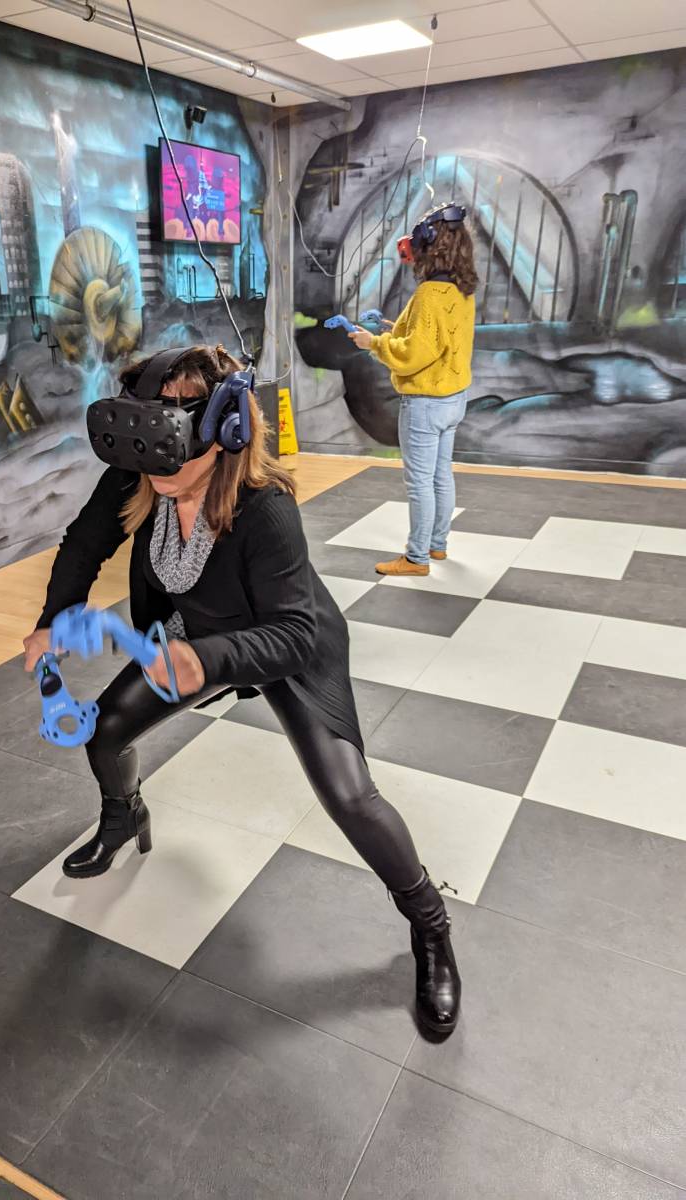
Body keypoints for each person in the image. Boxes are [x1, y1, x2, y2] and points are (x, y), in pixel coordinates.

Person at [23, 345, 461, 1036]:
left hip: (285, 641)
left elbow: (294, 632)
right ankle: (122, 816)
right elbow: (83, 545)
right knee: (105, 733)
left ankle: (429, 924)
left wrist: (207, 660)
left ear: (225, 428)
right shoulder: (142, 476)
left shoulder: (265, 507)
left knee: (349, 795)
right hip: (194, 633)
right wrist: (53, 619)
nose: (153, 463)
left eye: (170, 438)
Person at [349, 204, 478, 577]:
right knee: (441, 475)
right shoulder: (462, 290)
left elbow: (412, 356)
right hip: (453, 399)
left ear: (429, 244)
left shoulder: (429, 294)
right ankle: (437, 545)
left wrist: (373, 343)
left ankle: (416, 558)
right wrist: (395, 329)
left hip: (425, 403)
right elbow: (437, 338)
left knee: (419, 482)